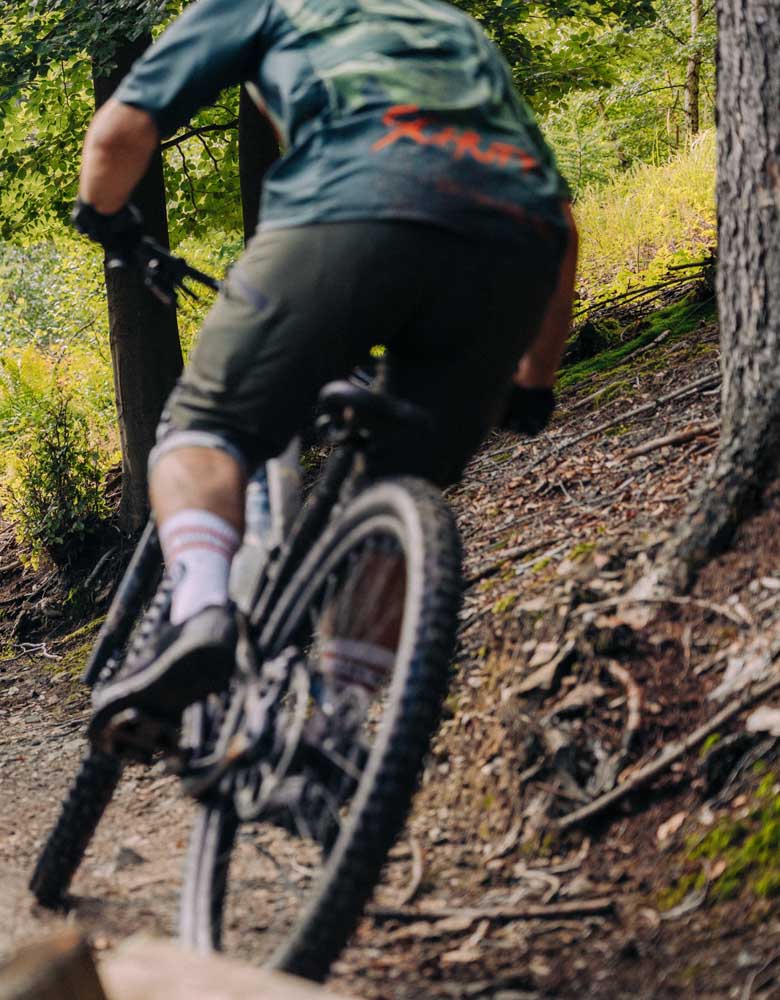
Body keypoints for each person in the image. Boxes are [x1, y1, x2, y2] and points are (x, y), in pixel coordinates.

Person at [73, 0, 578, 732]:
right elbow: (563, 222)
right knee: (399, 485)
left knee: (204, 429)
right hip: (514, 240)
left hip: (350, 204)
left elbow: (120, 132)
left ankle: (201, 613)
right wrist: (534, 382)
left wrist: (106, 218)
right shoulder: (447, 26)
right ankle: (338, 727)